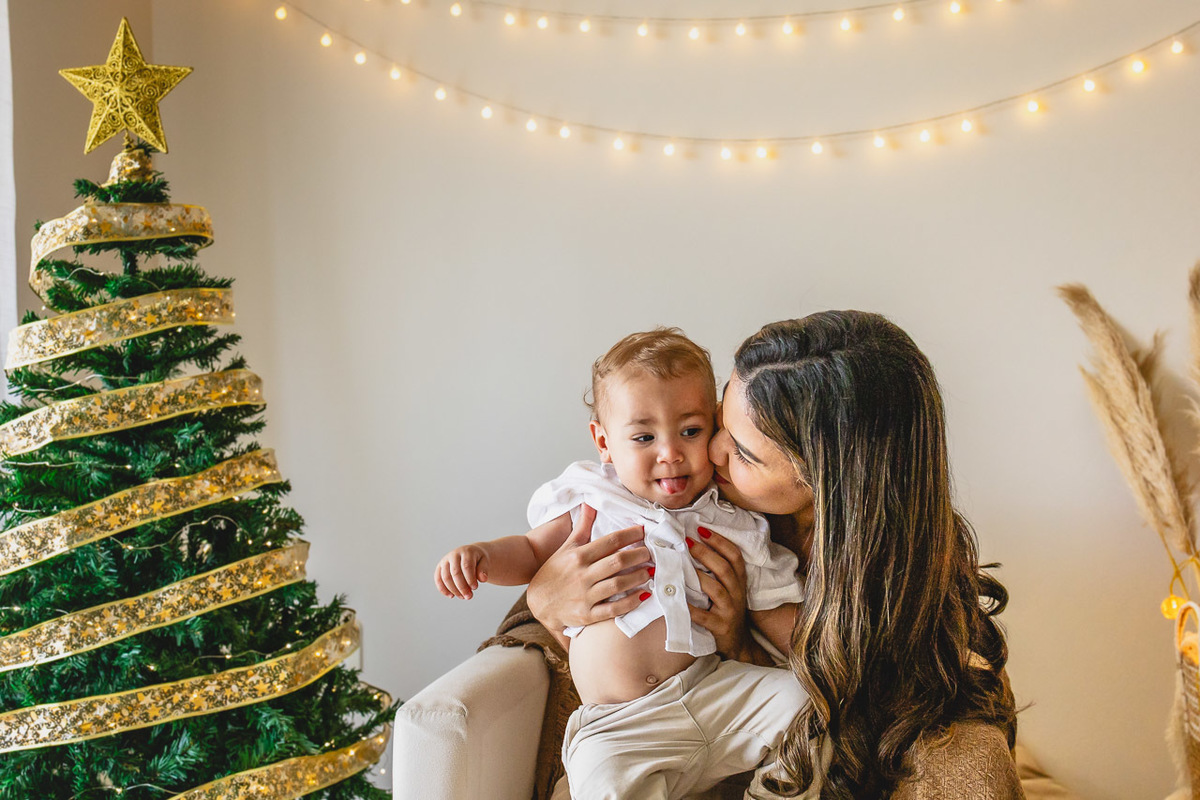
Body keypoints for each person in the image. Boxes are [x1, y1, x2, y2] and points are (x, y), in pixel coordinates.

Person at [527, 311, 1017, 799]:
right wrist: (544, 599)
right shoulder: (692, 506)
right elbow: (599, 609)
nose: (709, 453)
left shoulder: (899, 588)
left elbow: (864, 711)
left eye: (742, 452)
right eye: (718, 422)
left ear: (824, 479)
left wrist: (739, 644)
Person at [434, 328, 809, 799]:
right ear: (604, 442)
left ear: (715, 429)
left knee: (808, 710)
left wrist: (823, 658)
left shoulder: (732, 522)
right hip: (619, 723)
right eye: (644, 436)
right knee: (604, 783)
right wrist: (483, 557)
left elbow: (782, 614)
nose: (670, 452)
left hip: (712, 691)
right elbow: (531, 553)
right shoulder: (592, 499)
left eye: (690, 431)